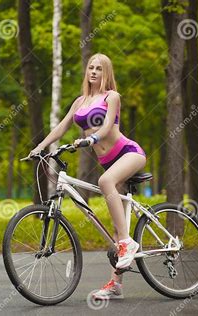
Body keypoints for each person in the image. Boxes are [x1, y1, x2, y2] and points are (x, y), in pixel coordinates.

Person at [28, 53, 147, 300]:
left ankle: (127, 243)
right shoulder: (80, 102)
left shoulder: (112, 97)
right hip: (109, 163)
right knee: (115, 222)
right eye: (91, 67)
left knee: (105, 183)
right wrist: (40, 146)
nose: (93, 71)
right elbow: (61, 127)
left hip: (128, 153)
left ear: (106, 73)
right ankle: (116, 283)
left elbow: (106, 128)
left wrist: (91, 138)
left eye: (99, 68)